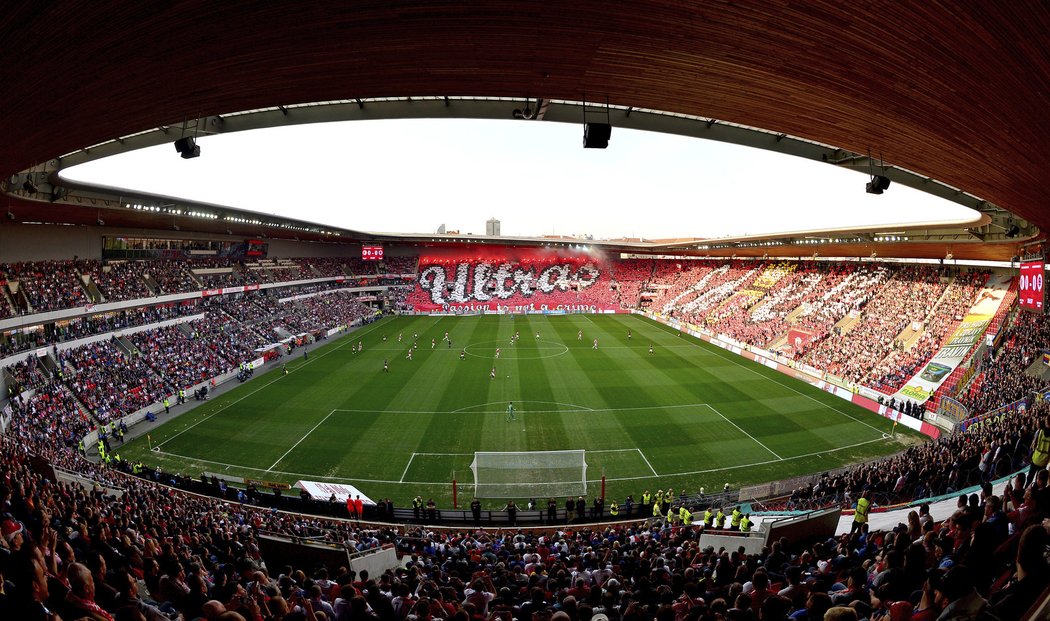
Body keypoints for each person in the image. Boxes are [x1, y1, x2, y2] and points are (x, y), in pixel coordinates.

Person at [1029, 412, 1050, 480]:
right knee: (1038, 480)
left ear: (1046, 422)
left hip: (1036, 458)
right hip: (1044, 461)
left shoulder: (1041, 432)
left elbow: (1034, 444)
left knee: (1030, 478)